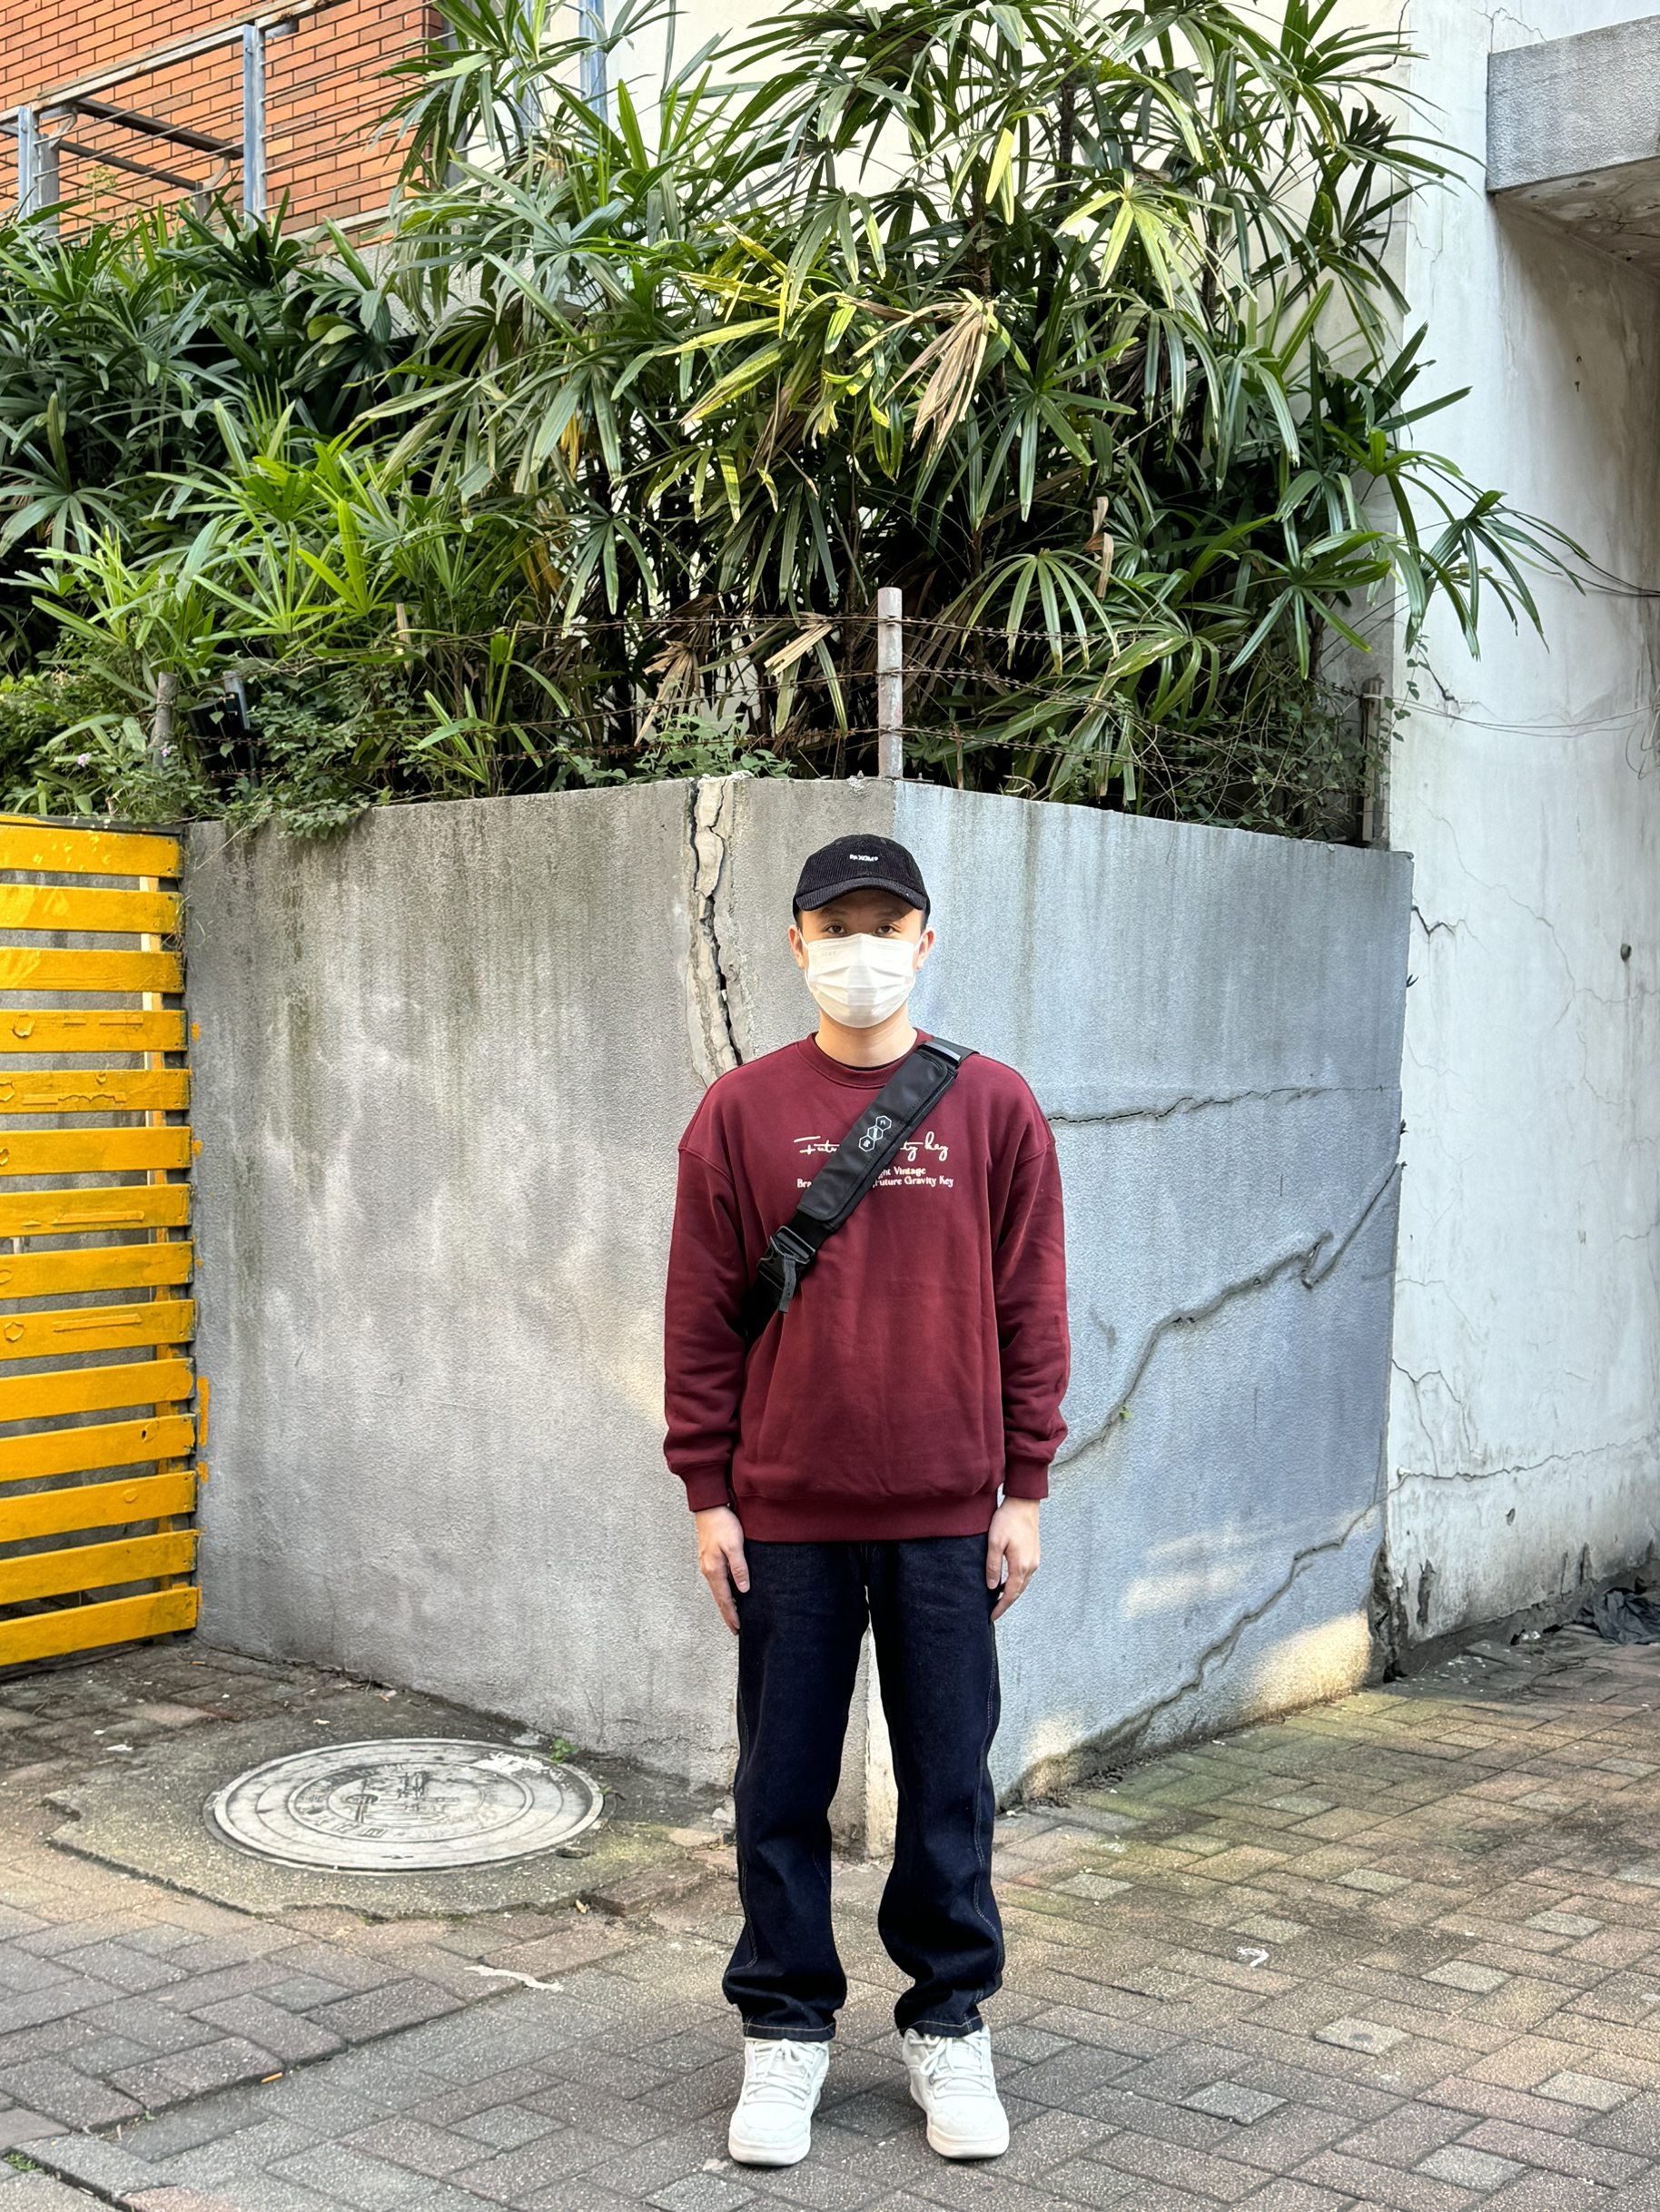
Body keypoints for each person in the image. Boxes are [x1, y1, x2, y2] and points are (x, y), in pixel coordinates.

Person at [662, 830, 1069, 2169]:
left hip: (949, 1515)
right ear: (796, 945)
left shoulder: (993, 1107)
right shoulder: (738, 1113)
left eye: (885, 927)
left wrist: (1026, 1488)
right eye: (836, 928)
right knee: (780, 1785)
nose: (861, 951)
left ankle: (948, 2021)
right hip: (785, 1516)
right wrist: (708, 1493)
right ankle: (784, 2029)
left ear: (925, 942)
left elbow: (1030, 1311)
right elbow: (700, 1318)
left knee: (948, 1781)